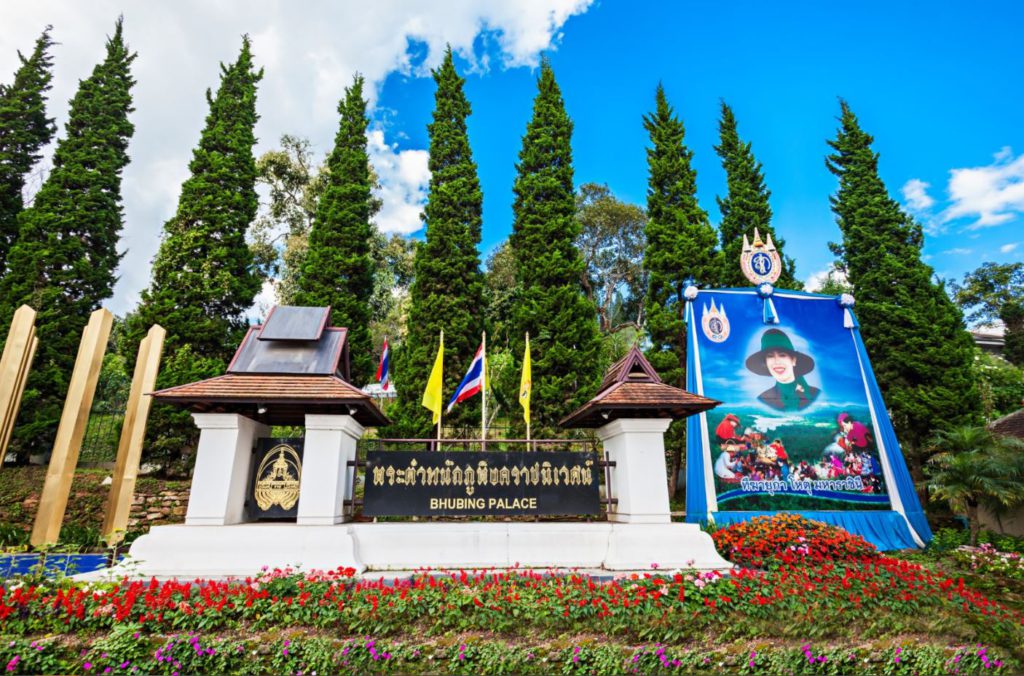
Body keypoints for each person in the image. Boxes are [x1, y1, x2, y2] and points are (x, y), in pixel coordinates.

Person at [745, 328, 820, 411]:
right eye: (770, 356)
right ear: (766, 363)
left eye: (782, 355)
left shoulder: (816, 395)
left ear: (794, 360)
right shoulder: (763, 400)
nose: (776, 361)